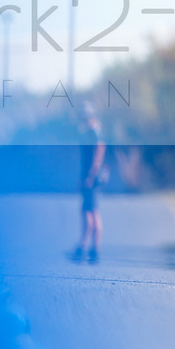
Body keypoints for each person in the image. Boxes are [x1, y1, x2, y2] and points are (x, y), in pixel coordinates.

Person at [72, 102, 106, 263]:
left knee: (90, 211)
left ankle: (90, 247)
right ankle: (87, 247)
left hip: (91, 177)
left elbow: (99, 152)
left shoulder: (94, 132)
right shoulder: (91, 131)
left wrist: (91, 176)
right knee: (89, 209)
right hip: (88, 176)